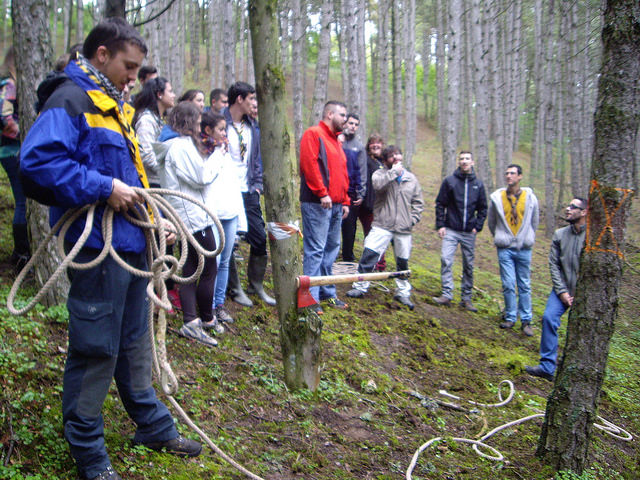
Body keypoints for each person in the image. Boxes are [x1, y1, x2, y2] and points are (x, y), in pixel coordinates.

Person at [20, 18, 201, 480]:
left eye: (139, 70)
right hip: (98, 247)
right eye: (130, 66)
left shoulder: (113, 105)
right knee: (96, 345)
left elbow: (132, 180)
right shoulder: (72, 99)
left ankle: (152, 425)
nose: (135, 78)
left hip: (130, 244)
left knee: (134, 341)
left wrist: (155, 219)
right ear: (102, 54)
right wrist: (103, 188)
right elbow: (37, 165)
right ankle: (87, 450)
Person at [156, 102, 224, 345]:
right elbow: (201, 177)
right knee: (206, 269)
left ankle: (198, 320)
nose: (200, 127)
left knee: (193, 269)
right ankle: (200, 320)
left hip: (192, 215)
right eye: (197, 122)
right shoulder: (179, 147)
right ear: (188, 122)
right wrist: (218, 156)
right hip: (193, 218)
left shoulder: (177, 145)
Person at [346, 146, 423, 309]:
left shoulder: (411, 179)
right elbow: (378, 185)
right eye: (391, 156)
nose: (396, 158)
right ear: (385, 160)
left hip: (403, 228)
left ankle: (403, 293)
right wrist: (394, 173)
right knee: (369, 254)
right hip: (382, 224)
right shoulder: (380, 175)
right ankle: (360, 287)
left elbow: (418, 202)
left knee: (403, 262)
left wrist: (412, 219)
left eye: (398, 155)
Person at [223, 81, 276, 306]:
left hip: (248, 190)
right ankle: (234, 289)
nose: (255, 104)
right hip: (225, 189)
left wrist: (256, 185)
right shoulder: (219, 122)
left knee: (258, 237)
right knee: (229, 239)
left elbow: (255, 160)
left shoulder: (252, 127)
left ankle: (256, 286)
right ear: (240, 99)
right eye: (251, 99)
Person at [525, 197, 588, 381]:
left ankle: (576, 371)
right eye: (567, 205)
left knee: (581, 329)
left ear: (584, 212)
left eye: (573, 207)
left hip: (584, 293)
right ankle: (547, 367)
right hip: (562, 289)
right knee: (548, 317)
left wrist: (580, 294)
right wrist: (562, 292)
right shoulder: (560, 235)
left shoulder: (593, 237)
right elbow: (554, 265)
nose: (567, 209)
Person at [299, 100, 351, 314]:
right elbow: (309, 164)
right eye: (342, 115)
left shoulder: (337, 142)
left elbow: (342, 173)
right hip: (317, 203)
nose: (345, 120)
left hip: (336, 205)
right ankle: (309, 299)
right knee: (315, 250)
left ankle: (328, 293)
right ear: (329, 114)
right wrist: (322, 192)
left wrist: (345, 200)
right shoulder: (314, 134)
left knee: (331, 250)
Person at [200, 111, 246, 324]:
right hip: (213, 214)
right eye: (220, 130)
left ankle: (219, 304)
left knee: (225, 261)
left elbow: (234, 184)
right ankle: (206, 307)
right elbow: (205, 178)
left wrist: (240, 219)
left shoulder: (226, 151)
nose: (224, 134)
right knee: (213, 261)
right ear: (208, 130)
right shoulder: (203, 151)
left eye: (224, 130)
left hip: (230, 212)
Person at [487, 164, 539, 336]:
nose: (509, 176)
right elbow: (492, 221)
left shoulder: (530, 197)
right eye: (507, 173)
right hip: (505, 247)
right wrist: (501, 236)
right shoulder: (497, 197)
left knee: (524, 284)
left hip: (524, 247)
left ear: (520, 176)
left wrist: (528, 237)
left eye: (512, 173)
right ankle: (510, 316)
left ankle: (526, 320)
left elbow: (534, 221)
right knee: (508, 283)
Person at [432, 151, 487, 312]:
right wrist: (441, 225)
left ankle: (466, 298)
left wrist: (478, 226)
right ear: (459, 162)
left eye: (467, 159)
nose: (464, 162)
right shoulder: (450, 181)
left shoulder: (478, 184)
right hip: (450, 228)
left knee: (468, 265)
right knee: (446, 259)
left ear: (473, 162)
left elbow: (483, 208)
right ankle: (447, 294)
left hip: (469, 231)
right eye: (462, 159)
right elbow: (440, 203)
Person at [0, 46, 30, 270]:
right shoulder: (9, 86)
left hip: (12, 150)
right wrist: (25, 135)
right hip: (11, 151)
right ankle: (21, 254)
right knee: (22, 201)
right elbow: (5, 117)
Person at [132, 76, 175, 186]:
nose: (173, 95)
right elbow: (146, 155)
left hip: (160, 181)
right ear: (159, 94)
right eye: (170, 91)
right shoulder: (147, 120)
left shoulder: (158, 119)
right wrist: (168, 171)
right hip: (151, 184)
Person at [340, 113, 367, 262]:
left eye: (356, 124)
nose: (353, 127)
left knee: (349, 227)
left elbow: (362, 171)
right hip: (334, 191)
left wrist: (361, 193)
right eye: (351, 123)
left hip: (351, 193)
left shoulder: (359, 147)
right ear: (345, 124)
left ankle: (347, 258)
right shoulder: (337, 142)